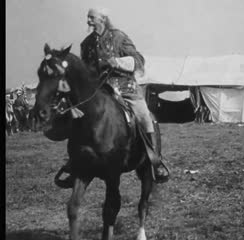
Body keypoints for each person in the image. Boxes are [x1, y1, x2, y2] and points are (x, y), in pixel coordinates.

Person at [62, 8, 169, 183]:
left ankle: (154, 160)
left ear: (103, 19)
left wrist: (118, 62)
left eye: (92, 18)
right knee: (78, 118)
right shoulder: (86, 44)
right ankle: (74, 162)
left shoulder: (118, 37)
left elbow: (139, 59)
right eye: (87, 18)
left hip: (125, 89)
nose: (88, 21)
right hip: (99, 91)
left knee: (144, 116)